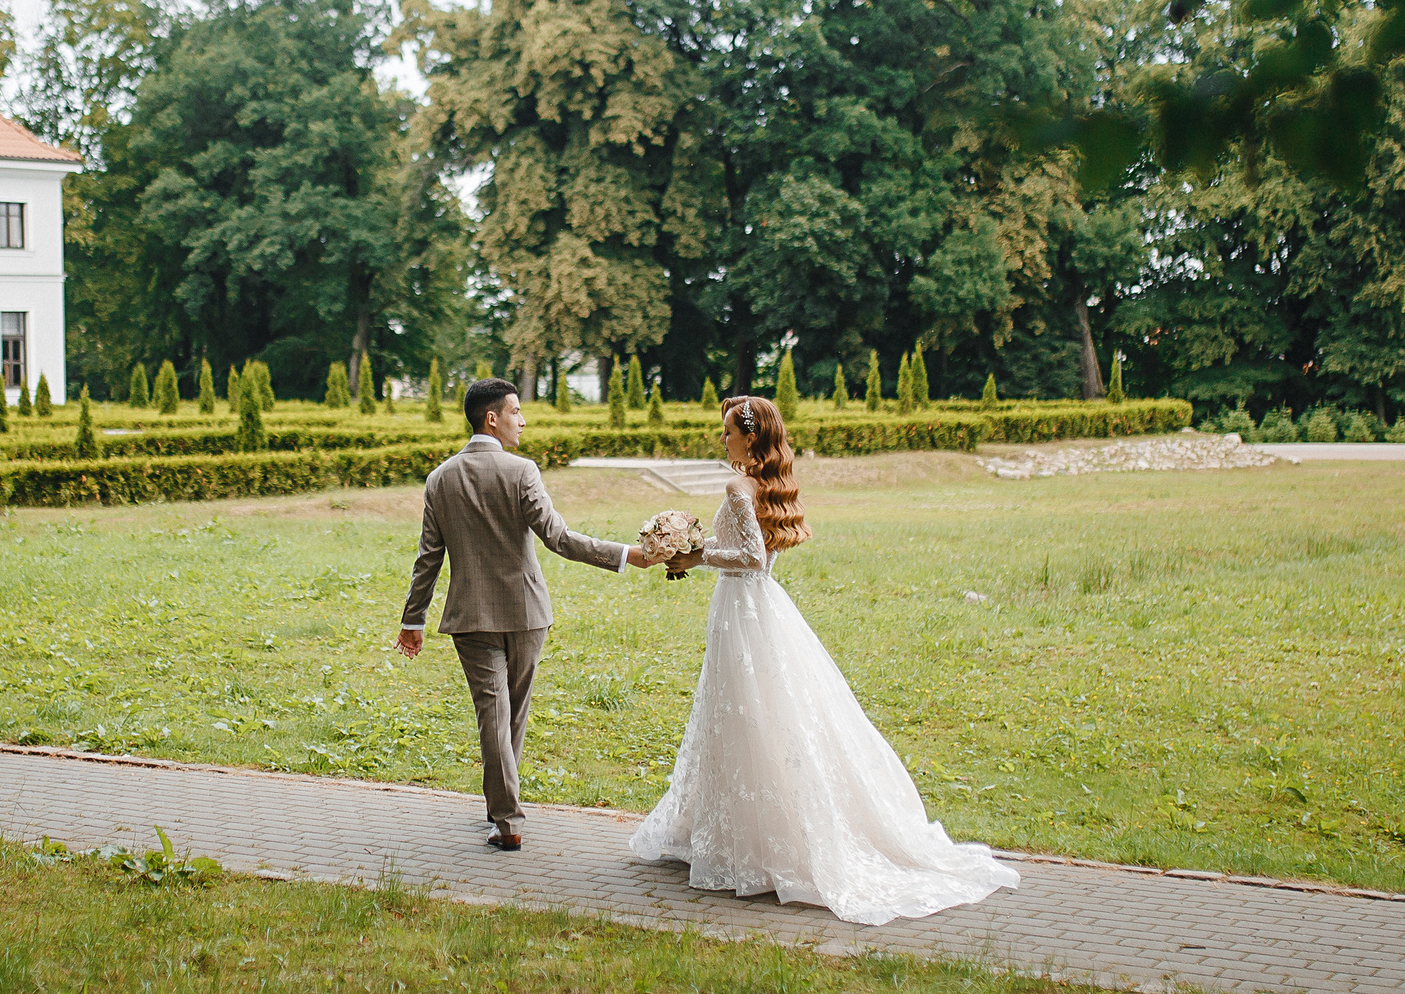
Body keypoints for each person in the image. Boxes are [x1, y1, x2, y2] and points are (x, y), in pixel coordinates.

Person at [632, 394, 1018, 923]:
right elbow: (760, 556)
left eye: (728, 432)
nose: (722, 440)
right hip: (758, 609)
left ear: (750, 437)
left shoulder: (738, 486)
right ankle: (723, 828)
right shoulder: (767, 484)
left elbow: (749, 559)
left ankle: (758, 843)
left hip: (743, 609)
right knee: (749, 713)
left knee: (748, 713)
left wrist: (692, 554)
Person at [396, 377, 670, 850]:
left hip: (470, 617)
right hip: (527, 613)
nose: (522, 421)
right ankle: (507, 818)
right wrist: (627, 554)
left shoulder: (439, 479)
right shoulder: (522, 472)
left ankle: (504, 818)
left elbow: (429, 557)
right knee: (512, 716)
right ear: (492, 418)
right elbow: (559, 538)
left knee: (494, 716)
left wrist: (412, 620)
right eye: (516, 411)